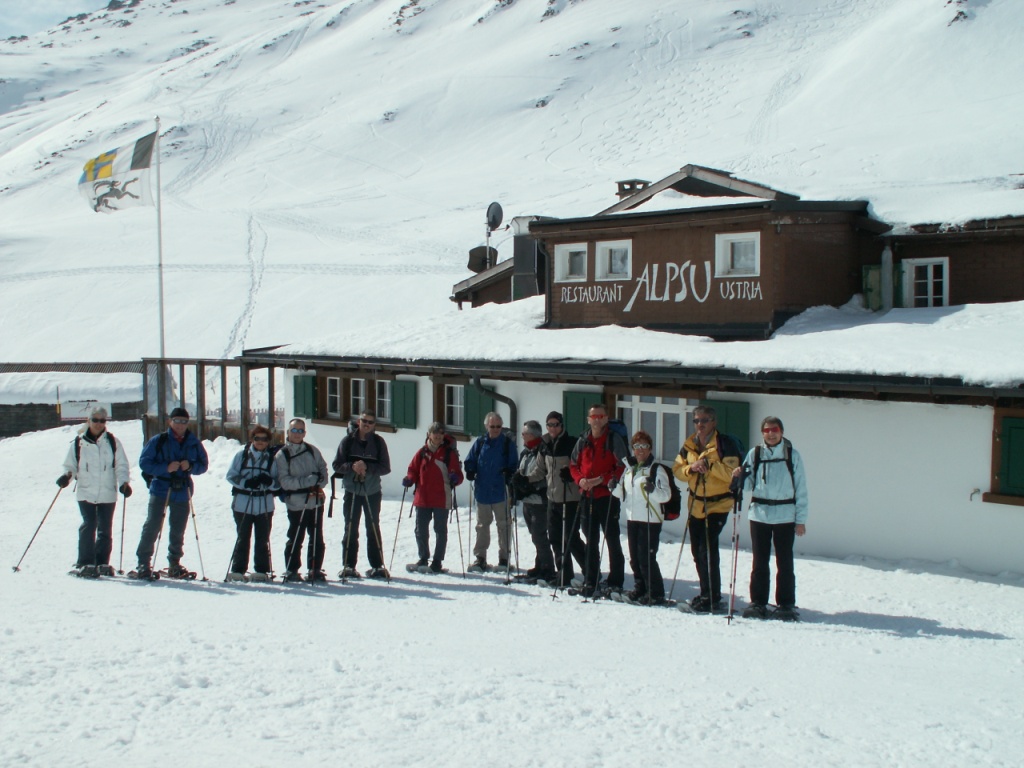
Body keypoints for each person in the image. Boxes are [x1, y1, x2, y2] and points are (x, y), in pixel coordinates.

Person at [733, 416, 808, 621]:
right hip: (760, 514)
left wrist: (800, 520)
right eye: (766, 431)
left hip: (785, 515)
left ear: (781, 432)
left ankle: (786, 604)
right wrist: (740, 475)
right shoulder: (755, 454)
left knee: (785, 561)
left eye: (774, 430)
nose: (771, 434)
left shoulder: (792, 455)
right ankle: (758, 602)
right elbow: (748, 486)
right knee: (760, 560)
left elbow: (801, 489)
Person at [673, 405, 743, 613]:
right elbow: (677, 470)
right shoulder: (689, 444)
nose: (700, 425)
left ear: (714, 422)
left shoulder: (725, 444)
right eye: (696, 421)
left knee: (707, 550)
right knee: (697, 551)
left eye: (704, 420)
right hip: (695, 504)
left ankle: (712, 597)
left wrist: (710, 466)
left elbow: (732, 473)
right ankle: (706, 593)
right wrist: (691, 468)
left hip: (718, 505)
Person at [135, 407, 209, 579]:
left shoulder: (193, 442)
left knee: (178, 529)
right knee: (152, 526)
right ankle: (143, 562)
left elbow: (203, 465)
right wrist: (165, 468)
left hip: (182, 489)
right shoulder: (158, 440)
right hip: (161, 487)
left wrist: (191, 466)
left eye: (184, 421)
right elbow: (144, 463)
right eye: (177, 421)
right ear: (170, 421)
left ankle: (174, 562)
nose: (180, 425)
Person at [58, 406, 131, 577]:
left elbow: (121, 465)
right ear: (89, 421)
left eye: (102, 420)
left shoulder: (112, 442)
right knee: (89, 524)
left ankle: (102, 562)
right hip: (86, 492)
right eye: (95, 420)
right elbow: (71, 466)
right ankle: (85, 562)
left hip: (107, 492)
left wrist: (124, 483)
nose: (99, 424)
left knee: (105, 528)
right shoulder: (78, 443)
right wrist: (66, 477)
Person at [570, 403, 628, 597]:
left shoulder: (613, 439)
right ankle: (591, 578)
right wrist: (581, 480)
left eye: (600, 416)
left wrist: (602, 479)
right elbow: (573, 464)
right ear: (588, 419)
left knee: (612, 539)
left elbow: (622, 466)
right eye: (593, 417)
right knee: (591, 539)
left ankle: (616, 580)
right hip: (587, 496)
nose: (596, 420)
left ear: (606, 418)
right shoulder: (583, 440)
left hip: (607, 497)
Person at [611, 430, 672, 605]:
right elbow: (621, 494)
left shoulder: (656, 469)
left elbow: (666, 495)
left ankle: (655, 592)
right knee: (635, 558)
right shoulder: (629, 470)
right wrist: (613, 487)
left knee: (646, 558)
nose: (640, 450)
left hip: (650, 519)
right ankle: (641, 587)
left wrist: (653, 491)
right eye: (637, 446)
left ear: (650, 448)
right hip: (633, 517)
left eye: (644, 446)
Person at [527, 411, 586, 587]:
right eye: (550, 425)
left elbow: (581, 467)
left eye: (556, 424)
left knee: (571, 539)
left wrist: (571, 475)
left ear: (562, 425)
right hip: (552, 498)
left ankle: (591, 573)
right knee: (555, 538)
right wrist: (523, 479)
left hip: (570, 498)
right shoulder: (545, 444)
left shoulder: (572, 443)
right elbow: (539, 470)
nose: (553, 428)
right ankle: (564, 574)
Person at [332, 410, 392, 579]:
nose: (367, 424)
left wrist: (367, 467)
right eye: (364, 421)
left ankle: (377, 566)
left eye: (370, 422)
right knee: (351, 528)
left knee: (373, 527)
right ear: (358, 421)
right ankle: (348, 565)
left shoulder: (379, 442)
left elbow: (385, 468)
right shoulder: (348, 441)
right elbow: (337, 464)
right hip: (352, 490)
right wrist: (352, 466)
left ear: (374, 425)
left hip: (372, 491)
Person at [402, 422, 463, 573]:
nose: (438, 436)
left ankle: (437, 561)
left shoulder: (449, 454)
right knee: (420, 530)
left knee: (440, 530)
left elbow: (458, 475)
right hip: (423, 497)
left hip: (442, 497)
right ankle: (423, 558)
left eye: (441, 433)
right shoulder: (422, 452)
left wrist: (455, 478)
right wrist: (409, 479)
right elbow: (413, 469)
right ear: (429, 434)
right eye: (435, 432)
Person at [274, 418, 329, 582]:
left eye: (300, 431)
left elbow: (323, 469)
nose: (297, 434)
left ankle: (315, 569)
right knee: (296, 536)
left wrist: (321, 480)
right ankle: (292, 569)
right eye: (294, 430)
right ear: (288, 432)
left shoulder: (312, 450)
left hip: (315, 500)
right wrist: (307, 482)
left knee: (317, 536)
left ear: (304, 433)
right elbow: (284, 481)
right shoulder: (282, 455)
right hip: (296, 502)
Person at [464, 411, 518, 573]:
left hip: (501, 491)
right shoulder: (480, 442)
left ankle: (504, 558)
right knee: (482, 526)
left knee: (504, 525)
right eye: (492, 426)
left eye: (498, 426)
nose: (495, 429)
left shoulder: (507, 444)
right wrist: (470, 470)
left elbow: (514, 464)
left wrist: (509, 473)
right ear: (487, 426)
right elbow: (470, 460)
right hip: (483, 491)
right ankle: (480, 558)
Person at [225, 425, 279, 581]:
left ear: (268, 441)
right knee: (242, 537)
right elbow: (230, 476)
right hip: (243, 503)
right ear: (252, 440)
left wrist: (269, 482)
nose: (260, 442)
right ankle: (238, 569)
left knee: (262, 538)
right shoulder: (241, 456)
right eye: (257, 438)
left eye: (264, 439)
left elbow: (278, 483)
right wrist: (246, 483)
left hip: (264, 504)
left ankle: (262, 570)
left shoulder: (272, 459)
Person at [511, 420, 555, 584]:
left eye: (525, 433)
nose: (522, 436)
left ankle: (548, 569)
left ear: (533, 435)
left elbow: (545, 476)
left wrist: (530, 487)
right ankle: (540, 565)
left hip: (539, 502)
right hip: (528, 501)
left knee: (539, 536)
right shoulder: (526, 452)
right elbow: (521, 472)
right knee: (535, 535)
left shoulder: (542, 451)